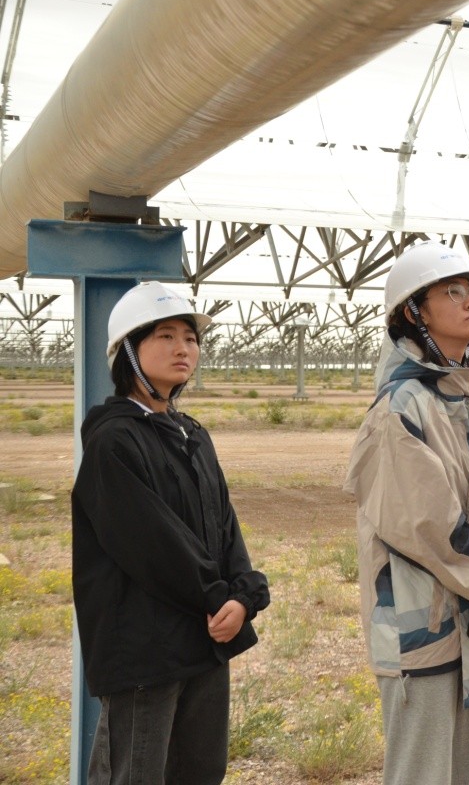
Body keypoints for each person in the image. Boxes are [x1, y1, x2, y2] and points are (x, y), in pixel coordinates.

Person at [343, 241, 469, 785]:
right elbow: (431, 527)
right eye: (452, 292)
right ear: (414, 312)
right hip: (422, 632)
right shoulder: (401, 409)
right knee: (424, 774)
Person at [72, 281, 270, 784]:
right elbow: (154, 545)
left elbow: (223, 524)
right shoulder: (113, 442)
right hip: (147, 650)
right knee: (138, 772)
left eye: (191, 337)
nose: (184, 348)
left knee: (201, 770)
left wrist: (244, 594)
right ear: (130, 352)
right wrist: (217, 597)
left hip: (206, 638)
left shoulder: (192, 435)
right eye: (166, 336)